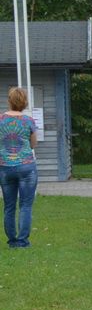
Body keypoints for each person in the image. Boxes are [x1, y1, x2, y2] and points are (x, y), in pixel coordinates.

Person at [2, 87, 39, 249]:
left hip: (4, 167)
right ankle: (23, 241)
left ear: (9, 100)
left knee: (9, 206)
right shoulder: (28, 121)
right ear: (25, 102)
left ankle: (12, 242)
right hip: (26, 166)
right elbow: (33, 144)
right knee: (25, 205)